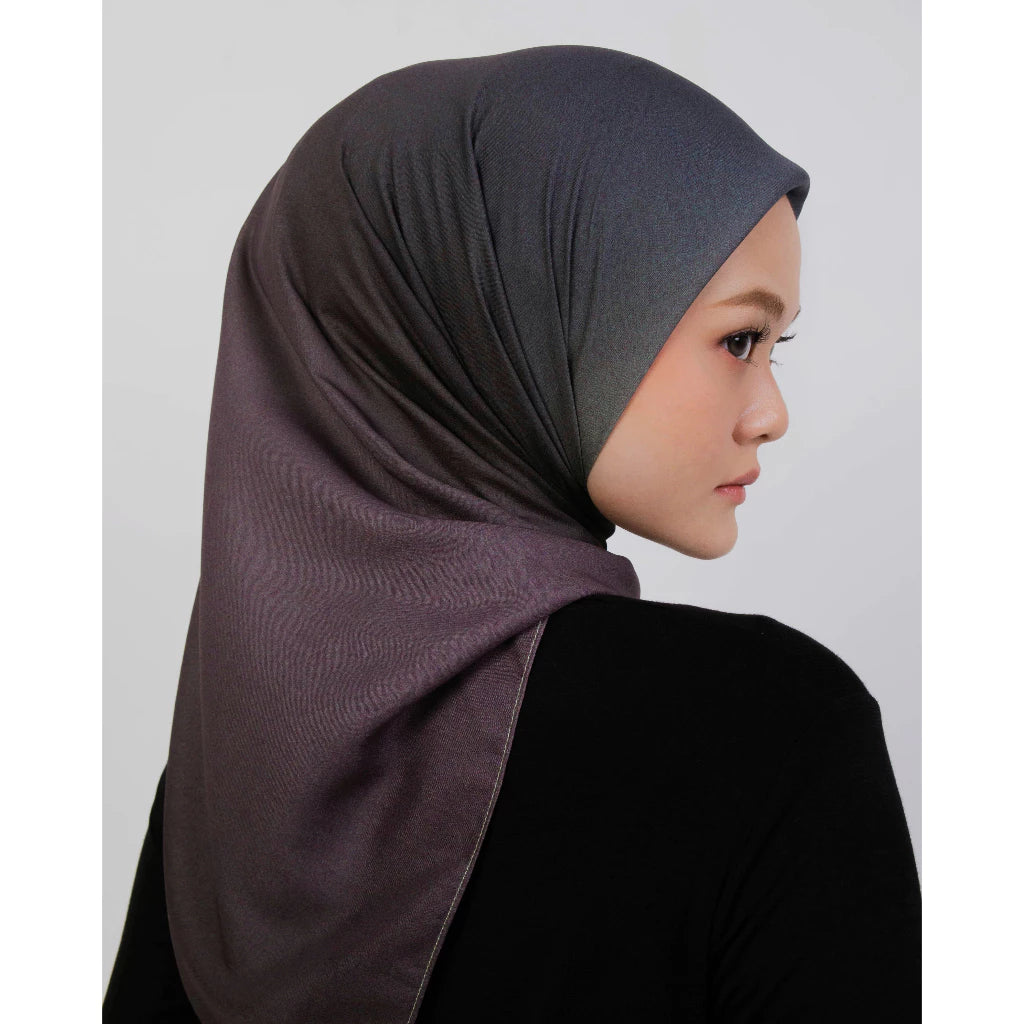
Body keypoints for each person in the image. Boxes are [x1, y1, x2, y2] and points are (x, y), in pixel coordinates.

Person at [104, 44, 921, 1023]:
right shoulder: (769, 728)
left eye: (776, 345)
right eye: (738, 339)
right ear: (507, 314)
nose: (771, 414)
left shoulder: (235, 783)